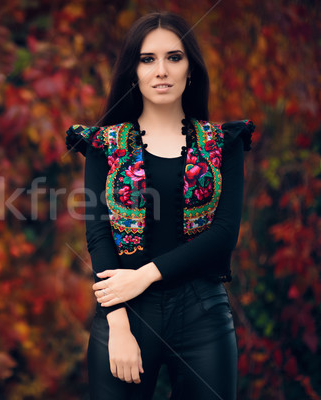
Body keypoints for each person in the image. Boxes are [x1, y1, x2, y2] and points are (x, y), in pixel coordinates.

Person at [65, 11, 255, 400]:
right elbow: (98, 235)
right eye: (147, 59)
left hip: (203, 312)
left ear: (190, 68)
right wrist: (117, 325)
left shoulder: (223, 143)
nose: (161, 70)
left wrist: (145, 275)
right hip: (126, 313)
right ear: (133, 71)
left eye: (174, 57)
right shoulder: (105, 144)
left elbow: (223, 236)